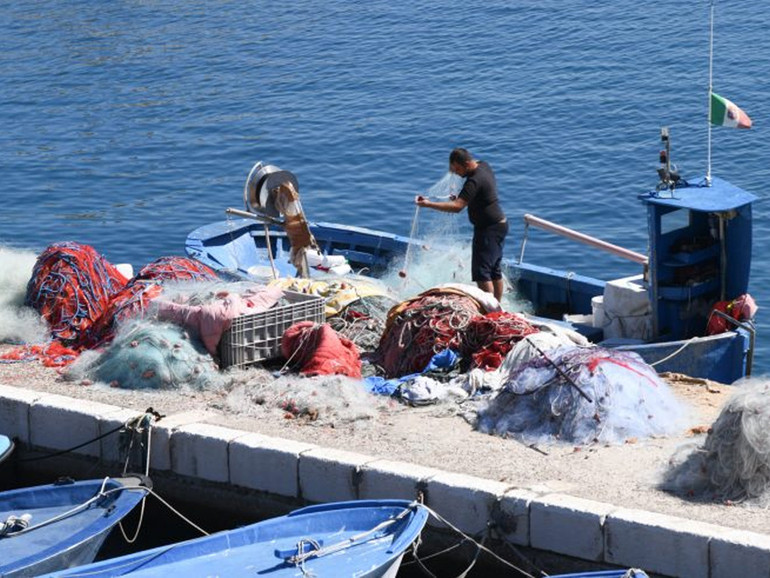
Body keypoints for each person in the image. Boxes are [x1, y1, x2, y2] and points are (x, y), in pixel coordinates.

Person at [415, 148, 508, 302]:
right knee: (494, 270)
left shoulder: (473, 181)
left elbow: (457, 207)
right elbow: (474, 193)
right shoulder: (484, 166)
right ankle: (497, 306)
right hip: (500, 225)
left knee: (482, 273)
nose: (456, 173)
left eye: (457, 169)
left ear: (466, 164)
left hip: (488, 230)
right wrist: (460, 196)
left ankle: (490, 311)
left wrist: (428, 204)